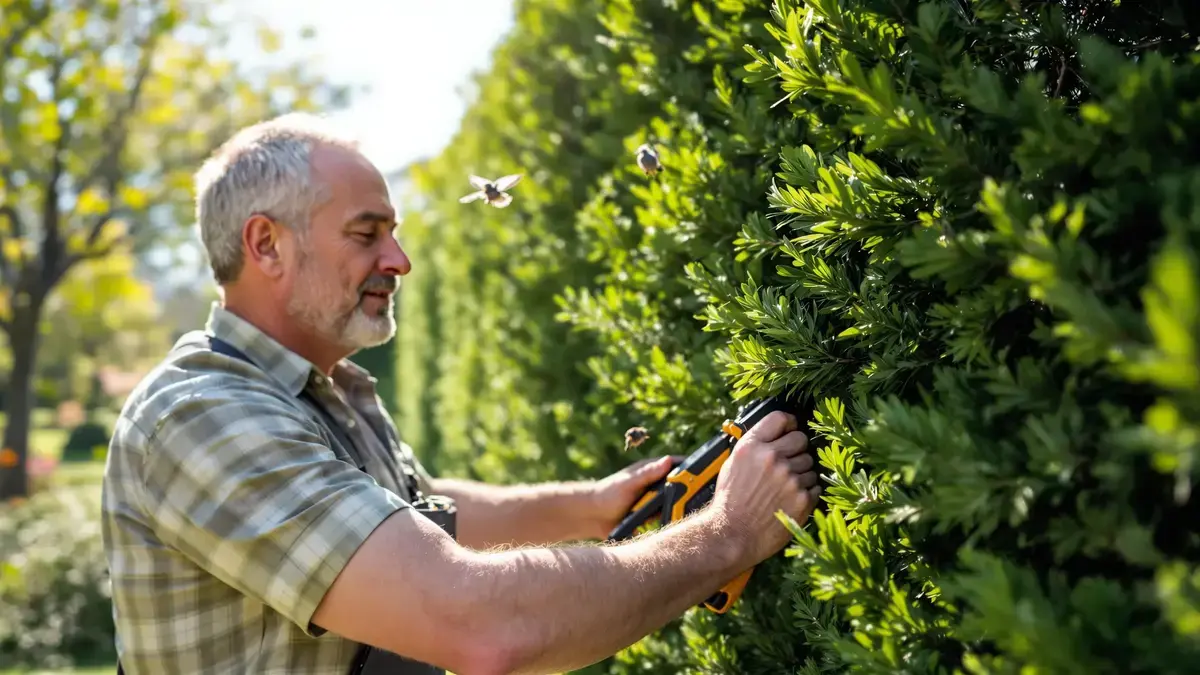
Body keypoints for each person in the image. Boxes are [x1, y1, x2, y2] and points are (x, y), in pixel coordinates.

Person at [99, 112, 823, 675]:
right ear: (266, 245)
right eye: (367, 233)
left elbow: (411, 511)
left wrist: (590, 506)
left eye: (395, 232)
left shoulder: (321, 391)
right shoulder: (202, 416)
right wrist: (726, 535)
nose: (400, 260)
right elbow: (479, 626)